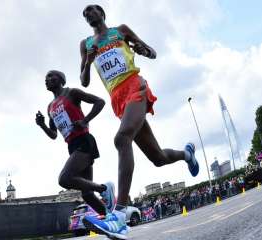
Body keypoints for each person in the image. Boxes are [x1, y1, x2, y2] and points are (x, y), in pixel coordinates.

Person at [79, 5, 199, 239]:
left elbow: (152, 52)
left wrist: (144, 50)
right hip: (117, 99)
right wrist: (87, 62)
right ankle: (186, 154)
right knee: (158, 158)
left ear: (102, 14)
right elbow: (83, 81)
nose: (88, 14)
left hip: (135, 86)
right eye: (85, 14)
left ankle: (120, 216)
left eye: (92, 10)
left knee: (121, 138)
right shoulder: (86, 44)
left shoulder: (120, 31)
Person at [35, 70, 115, 216]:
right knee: (87, 195)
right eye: (45, 77)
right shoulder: (50, 107)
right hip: (72, 147)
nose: (47, 79)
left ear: (61, 79)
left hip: (84, 141)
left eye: (51, 76)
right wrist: (42, 125)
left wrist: (85, 121)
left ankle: (104, 189)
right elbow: (54, 135)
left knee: (65, 179)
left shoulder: (71, 93)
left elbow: (100, 102)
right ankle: (112, 219)